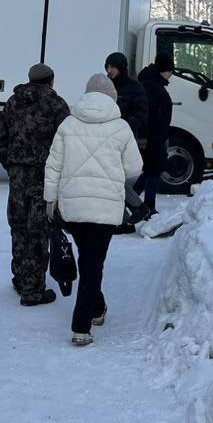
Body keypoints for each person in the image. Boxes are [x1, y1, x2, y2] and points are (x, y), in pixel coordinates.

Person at [44, 74, 143, 346]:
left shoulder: (68, 123)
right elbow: (135, 168)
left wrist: (50, 202)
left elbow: (52, 166)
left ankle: (97, 307)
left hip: (73, 207)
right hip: (106, 207)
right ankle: (81, 326)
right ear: (112, 96)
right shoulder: (121, 128)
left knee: (87, 258)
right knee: (93, 263)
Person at [0, 63, 70, 306]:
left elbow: (0, 141)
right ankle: (33, 290)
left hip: (17, 176)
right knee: (38, 231)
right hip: (43, 177)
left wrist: (13, 166)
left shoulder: (13, 102)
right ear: (51, 81)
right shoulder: (57, 106)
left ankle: (19, 279)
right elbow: (65, 144)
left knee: (18, 227)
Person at [136, 52, 175, 213]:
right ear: (163, 69)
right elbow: (146, 113)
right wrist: (144, 136)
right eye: (170, 70)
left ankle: (130, 200)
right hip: (153, 137)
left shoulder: (152, 83)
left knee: (149, 170)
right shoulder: (152, 86)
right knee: (154, 170)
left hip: (155, 135)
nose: (171, 74)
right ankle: (147, 205)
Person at [104, 52, 149, 144]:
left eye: (112, 67)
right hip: (105, 136)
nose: (109, 70)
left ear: (121, 67)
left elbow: (141, 114)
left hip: (126, 137)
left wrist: (124, 126)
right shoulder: (104, 85)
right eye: (107, 67)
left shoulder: (135, 87)